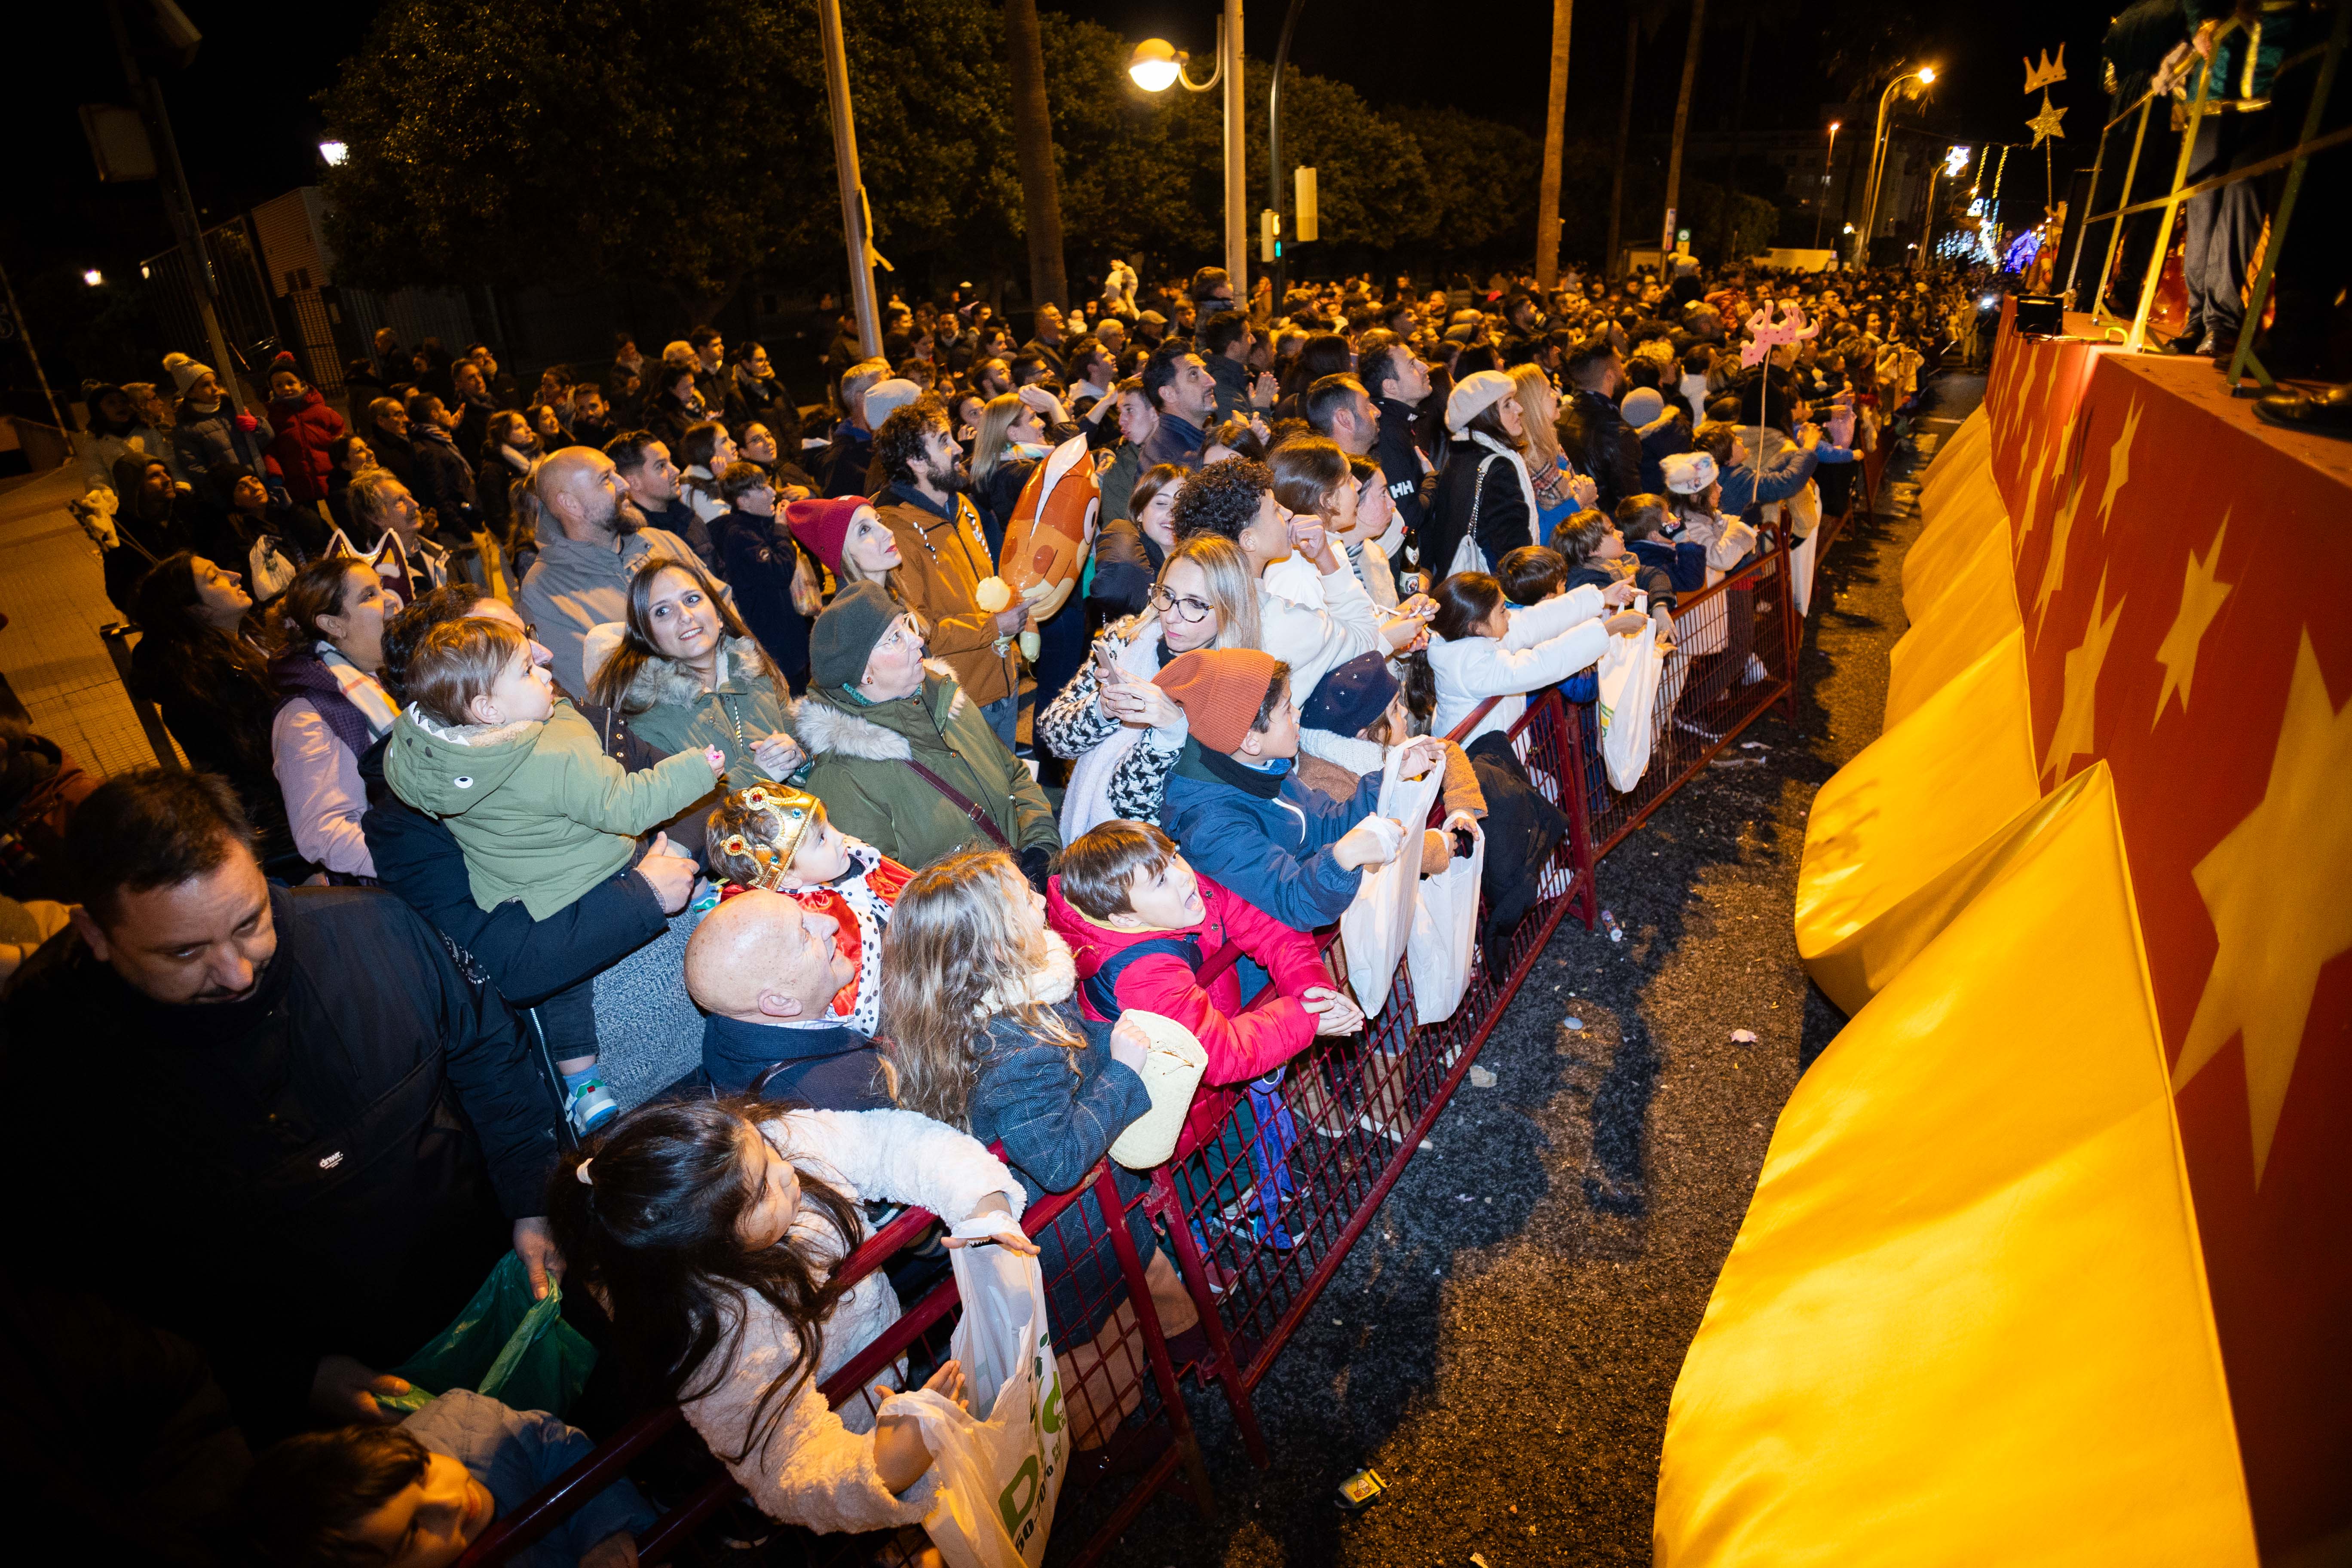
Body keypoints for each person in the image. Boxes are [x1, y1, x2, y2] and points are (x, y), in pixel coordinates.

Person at [0, 771, 560, 1440]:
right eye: (184, 952)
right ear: (95, 934)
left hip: (490, 1288)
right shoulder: (51, 1062)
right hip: (317, 1405)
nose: (236, 973)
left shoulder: (377, 935)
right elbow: (93, 1277)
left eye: (250, 924)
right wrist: (283, 1375)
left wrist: (534, 1201)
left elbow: (487, 1054)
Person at [544, 1096, 1031, 1533]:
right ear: (711, 1248)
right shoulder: (714, 1337)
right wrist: (884, 1467)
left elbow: (891, 1142)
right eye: (761, 1192)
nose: (785, 1171)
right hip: (851, 1432)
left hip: (891, 1366)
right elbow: (787, 1462)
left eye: (765, 1151)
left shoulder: (757, 1146)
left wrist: (981, 1201)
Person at [882, 849, 1200, 1418]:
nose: (1040, 898)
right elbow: (1056, 1161)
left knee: (1151, 1281)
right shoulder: (1017, 1046)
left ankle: (1202, 1357)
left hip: (1092, 1215)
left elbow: (1069, 1061)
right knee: (1100, 1350)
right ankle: (1118, 1453)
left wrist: (1108, 1046)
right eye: (1024, 899)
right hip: (1070, 1232)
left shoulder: (1001, 1003)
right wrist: (1124, 1070)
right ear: (1000, 944)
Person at [385, 614, 723, 1127]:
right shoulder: (548, 750)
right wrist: (649, 886)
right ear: (485, 707)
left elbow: (699, 814)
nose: (544, 661)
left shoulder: (439, 768)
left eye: (532, 640)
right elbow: (516, 965)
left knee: (571, 997)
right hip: (645, 1077)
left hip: (696, 993)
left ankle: (582, 1084)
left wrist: (671, 855)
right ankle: (584, 1083)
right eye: (524, 665)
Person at [1046, 819, 1361, 1085]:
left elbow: (1273, 930)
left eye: (1173, 858)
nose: (1184, 876)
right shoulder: (1141, 976)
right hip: (1176, 1110)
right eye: (1159, 882)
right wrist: (1304, 1018)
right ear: (1126, 919)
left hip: (1233, 1064)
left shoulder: (1193, 896)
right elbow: (1218, 1055)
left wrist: (1313, 992)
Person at [794, 583, 1060, 879]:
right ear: (864, 674)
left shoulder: (947, 699)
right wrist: (994, 906)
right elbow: (886, 895)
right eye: (895, 638)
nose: (918, 640)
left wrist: (1040, 846)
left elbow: (1014, 774)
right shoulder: (842, 779)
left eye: (906, 624)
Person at [1154, 647, 1429, 934]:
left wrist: (1389, 779)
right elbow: (1293, 901)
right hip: (1268, 973)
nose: (1298, 715)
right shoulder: (1214, 828)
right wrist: (1341, 860)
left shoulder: (1263, 768)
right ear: (1250, 741)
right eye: (1286, 710)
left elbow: (1323, 824)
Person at [235, 1396, 652, 1568]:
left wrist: (607, 1532)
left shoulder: (467, 1422)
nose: (451, 1501)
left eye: (422, 1472)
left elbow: (563, 1451)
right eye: (413, 1532)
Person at [1041, 534, 1259, 841]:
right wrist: (1102, 710)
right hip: (1083, 840)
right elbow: (1055, 738)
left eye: (1195, 605)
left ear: (1230, 609)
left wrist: (1170, 732)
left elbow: (1136, 809)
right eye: (1167, 594)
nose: (1171, 615)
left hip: (1154, 863)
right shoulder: (1127, 639)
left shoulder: (1233, 689)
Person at [1170, 456, 1423, 704]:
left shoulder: (1186, 605)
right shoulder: (1283, 620)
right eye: (1276, 510)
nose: (1289, 512)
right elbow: (1366, 639)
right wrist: (1326, 558)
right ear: (1249, 541)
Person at [130, 551, 314, 880]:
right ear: (195, 610)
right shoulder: (205, 686)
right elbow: (257, 773)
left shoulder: (238, 650)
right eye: (214, 577)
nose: (235, 575)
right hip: (294, 838)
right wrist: (305, 860)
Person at [868, 401, 1028, 746]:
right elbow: (918, 631)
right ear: (916, 461)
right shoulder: (896, 533)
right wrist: (995, 627)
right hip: (961, 702)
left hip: (1003, 680)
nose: (958, 448)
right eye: (943, 441)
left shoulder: (964, 507)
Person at [704, 781, 908, 1041]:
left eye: (828, 825)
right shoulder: (803, 923)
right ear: (787, 879)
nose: (838, 837)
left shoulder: (854, 860)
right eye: (821, 839)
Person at [588, 556, 802, 792]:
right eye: (663, 611)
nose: (685, 616)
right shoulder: (644, 723)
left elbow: (810, 763)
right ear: (649, 638)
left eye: (692, 599)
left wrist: (799, 760)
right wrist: (756, 775)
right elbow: (682, 822)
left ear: (719, 616)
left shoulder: (760, 675)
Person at [520, 445, 706, 699]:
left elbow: (727, 618)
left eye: (616, 472)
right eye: (606, 479)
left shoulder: (662, 543)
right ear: (571, 504)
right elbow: (603, 689)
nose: (623, 484)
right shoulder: (545, 591)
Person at [1408, 569, 1643, 747]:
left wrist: (1600, 598)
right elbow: (1543, 664)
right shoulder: (1470, 665)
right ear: (1477, 627)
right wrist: (1608, 629)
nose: (1509, 614)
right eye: (1502, 610)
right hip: (1480, 766)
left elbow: (1536, 621)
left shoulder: (1468, 636)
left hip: (1494, 753)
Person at [269, 557, 398, 881]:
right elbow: (323, 834)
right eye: (369, 595)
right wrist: (416, 864)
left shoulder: (372, 681)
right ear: (333, 625)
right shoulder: (305, 716)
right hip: (396, 890)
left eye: (381, 588)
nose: (391, 601)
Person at [708, 462, 816, 691]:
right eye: (762, 489)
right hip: (774, 642)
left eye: (768, 485)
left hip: (789, 635)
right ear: (743, 500)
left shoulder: (760, 526)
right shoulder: (740, 535)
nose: (772, 492)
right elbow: (780, 572)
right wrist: (781, 529)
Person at [1425, 368, 1537, 577]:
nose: (1519, 408)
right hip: (1493, 593)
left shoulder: (1459, 458)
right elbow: (1515, 555)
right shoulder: (1498, 469)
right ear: (1486, 417)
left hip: (1463, 587)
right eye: (1507, 404)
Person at [1085, 461, 1183, 622]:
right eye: (1161, 504)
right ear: (1140, 514)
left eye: (1182, 505)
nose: (1173, 513)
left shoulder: (1201, 562)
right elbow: (1114, 588)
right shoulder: (1128, 552)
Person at [1557, 340, 1642, 514]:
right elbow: (1631, 509)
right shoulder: (1619, 434)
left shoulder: (1558, 417)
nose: (1624, 373)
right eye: (1621, 366)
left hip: (1572, 523)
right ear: (1610, 376)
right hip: (1604, 528)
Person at [162, 355, 273, 486]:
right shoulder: (186, 431)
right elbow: (194, 468)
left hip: (260, 481)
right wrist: (226, 488)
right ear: (190, 393)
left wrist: (258, 426)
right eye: (206, 385)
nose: (215, 388)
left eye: (215, 382)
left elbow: (267, 439)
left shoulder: (233, 409)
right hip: (232, 492)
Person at [264, 363, 347, 508]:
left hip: (332, 478)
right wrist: (275, 474)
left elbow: (342, 439)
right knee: (313, 526)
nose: (286, 388)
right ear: (273, 390)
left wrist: (345, 464)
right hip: (297, 482)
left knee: (345, 517)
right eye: (279, 385)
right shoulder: (273, 419)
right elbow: (270, 449)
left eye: (291, 383)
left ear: (302, 384)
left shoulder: (323, 411)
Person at [1138, 343, 1216, 470]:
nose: (1212, 381)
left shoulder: (1177, 445)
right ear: (1169, 394)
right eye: (1193, 375)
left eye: (1205, 370)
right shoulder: (1176, 465)